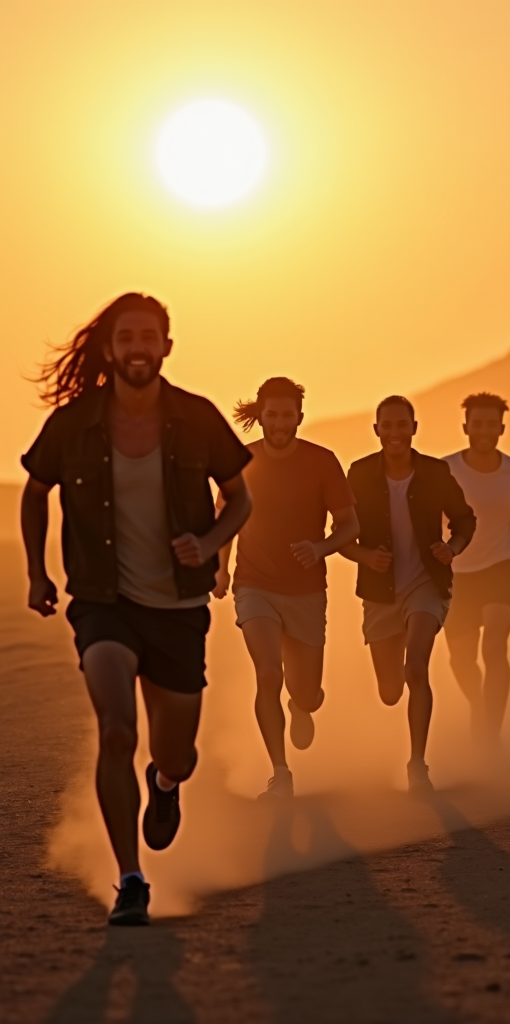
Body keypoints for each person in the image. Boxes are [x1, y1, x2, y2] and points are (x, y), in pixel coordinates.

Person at [21, 293, 252, 925]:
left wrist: (207, 542)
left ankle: (167, 783)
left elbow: (239, 499)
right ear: (110, 348)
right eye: (127, 337)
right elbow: (36, 490)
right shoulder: (74, 423)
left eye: (149, 336)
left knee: (175, 754)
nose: (138, 347)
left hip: (178, 606)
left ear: (166, 346)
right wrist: (38, 571)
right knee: (117, 728)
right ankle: (130, 880)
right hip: (103, 602)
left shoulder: (198, 418)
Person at [213, 377, 359, 799]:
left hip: (307, 590)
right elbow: (224, 518)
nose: (278, 422)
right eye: (271, 414)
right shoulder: (241, 462)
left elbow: (351, 525)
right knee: (268, 672)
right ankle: (280, 772)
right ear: (260, 416)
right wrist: (221, 570)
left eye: (286, 415)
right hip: (254, 583)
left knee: (307, 692)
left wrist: (322, 547)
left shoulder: (322, 462)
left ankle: (302, 704)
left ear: (299, 416)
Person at [340, 396, 476, 794]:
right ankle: (398, 709)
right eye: (388, 425)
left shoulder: (436, 472)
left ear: (414, 428)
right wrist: (366, 555)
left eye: (403, 425)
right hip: (380, 592)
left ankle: (418, 764)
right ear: (377, 430)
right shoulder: (360, 473)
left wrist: (453, 548)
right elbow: (342, 533)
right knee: (389, 691)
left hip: (427, 586)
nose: (396, 433)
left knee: (416, 667)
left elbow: (466, 520)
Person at [442, 393, 510, 747]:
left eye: (491, 424)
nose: (484, 430)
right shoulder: (447, 470)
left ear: (501, 428)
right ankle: (479, 705)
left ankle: (490, 733)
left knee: (495, 646)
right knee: (461, 658)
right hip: (455, 571)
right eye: (477, 424)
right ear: (466, 427)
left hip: (501, 563)